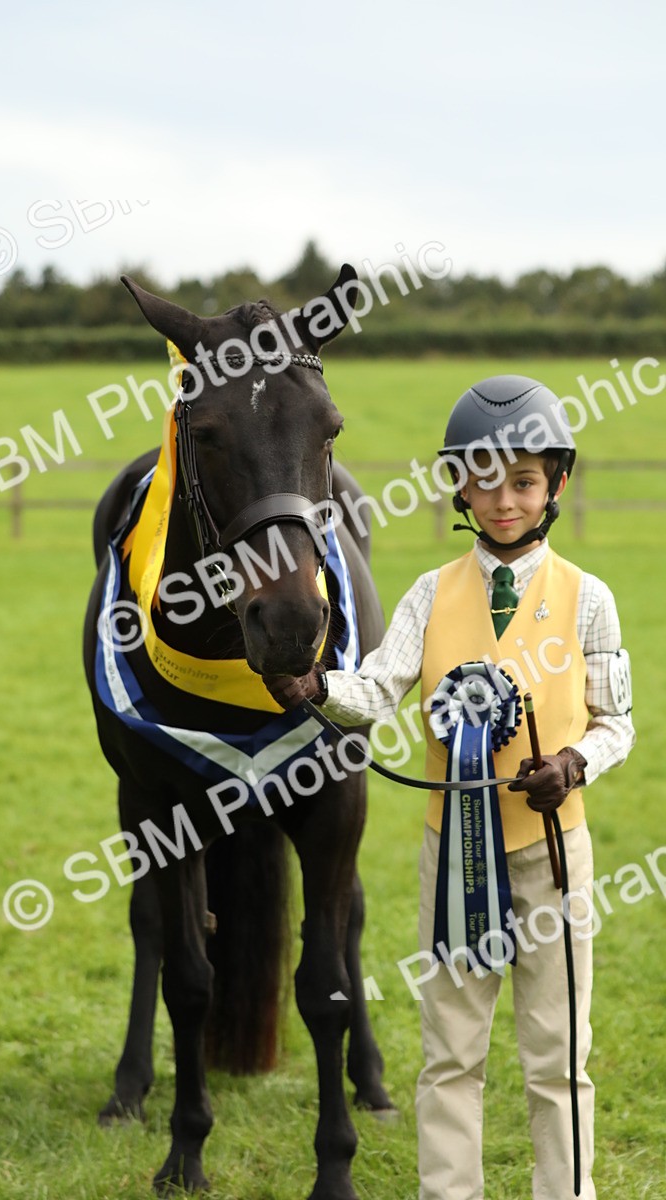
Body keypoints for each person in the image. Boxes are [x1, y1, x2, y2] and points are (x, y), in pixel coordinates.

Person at [264, 375, 635, 1200]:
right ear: (458, 485)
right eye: (485, 478)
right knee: (451, 1057)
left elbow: (619, 723)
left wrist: (574, 764)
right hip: (453, 863)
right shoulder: (430, 594)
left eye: (525, 481)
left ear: (557, 485)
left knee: (555, 1059)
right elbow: (375, 690)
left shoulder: (590, 600)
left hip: (553, 858)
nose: (504, 499)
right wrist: (314, 687)